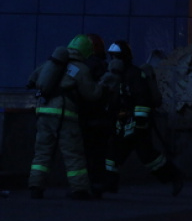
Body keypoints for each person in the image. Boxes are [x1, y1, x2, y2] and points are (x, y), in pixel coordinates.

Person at [27, 34, 109, 200]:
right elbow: (92, 94)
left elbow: (33, 80)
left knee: (42, 152)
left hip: (43, 112)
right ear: (86, 52)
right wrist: (103, 86)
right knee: (73, 154)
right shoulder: (80, 68)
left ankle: (35, 187)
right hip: (65, 115)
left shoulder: (51, 63)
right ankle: (79, 190)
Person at [103, 40, 183, 197]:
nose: (114, 60)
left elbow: (142, 99)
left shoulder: (134, 74)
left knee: (148, 157)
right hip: (123, 124)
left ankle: (175, 176)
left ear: (124, 57)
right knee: (112, 155)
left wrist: (139, 122)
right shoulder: (116, 75)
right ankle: (108, 185)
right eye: (112, 56)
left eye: (117, 56)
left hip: (136, 124)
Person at [81, 33, 114, 197]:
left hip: (89, 118)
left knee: (88, 154)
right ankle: (99, 185)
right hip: (103, 119)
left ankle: (89, 186)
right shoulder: (104, 66)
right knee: (99, 154)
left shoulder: (85, 66)